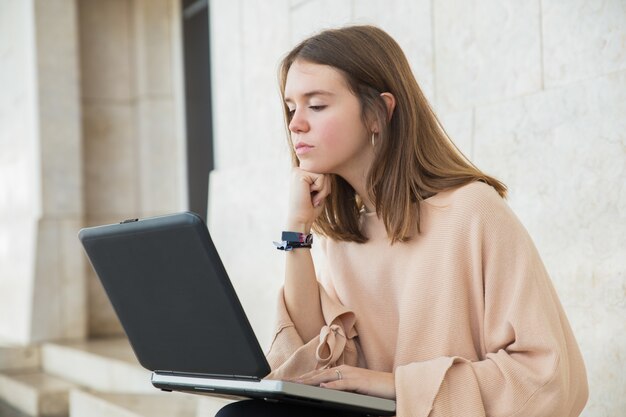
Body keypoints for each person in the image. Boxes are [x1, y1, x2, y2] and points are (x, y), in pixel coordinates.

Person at [217, 25, 588, 417]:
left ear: (379, 112)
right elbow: (309, 368)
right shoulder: (342, 238)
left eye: (317, 105)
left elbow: (549, 378)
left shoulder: (472, 212)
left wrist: (396, 387)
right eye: (291, 108)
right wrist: (297, 230)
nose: (295, 124)